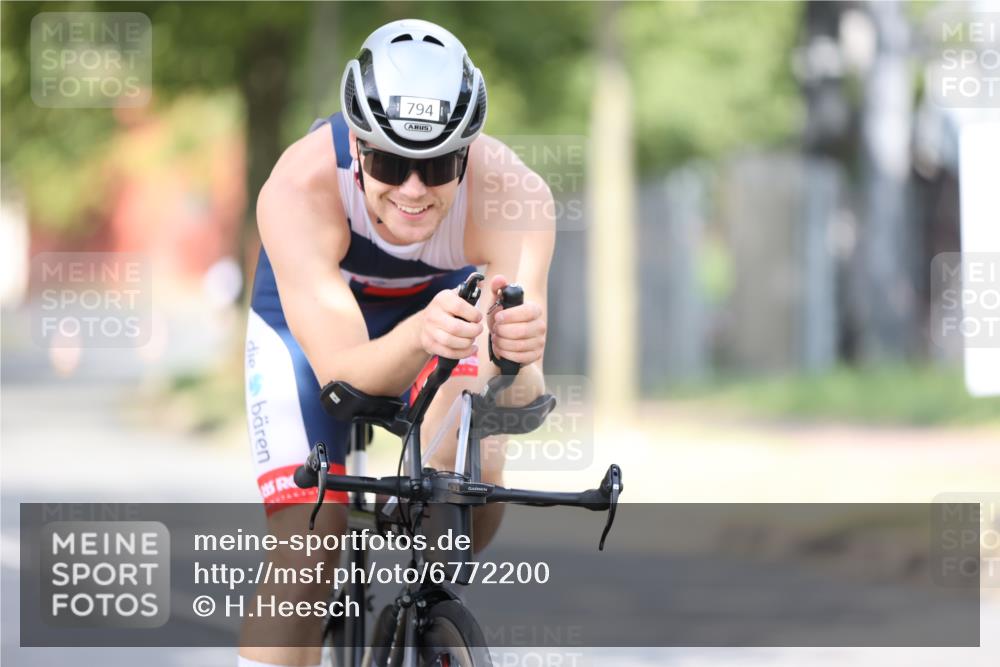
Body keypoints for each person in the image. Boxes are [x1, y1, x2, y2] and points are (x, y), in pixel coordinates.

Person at [239, 18, 555, 667]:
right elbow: (345, 376)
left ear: (466, 154)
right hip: (314, 338)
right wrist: (420, 332)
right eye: (388, 162)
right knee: (308, 547)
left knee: (475, 478)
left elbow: (521, 398)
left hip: (442, 317)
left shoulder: (513, 197)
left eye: (437, 165)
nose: (412, 189)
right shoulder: (299, 187)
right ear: (357, 144)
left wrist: (513, 358)